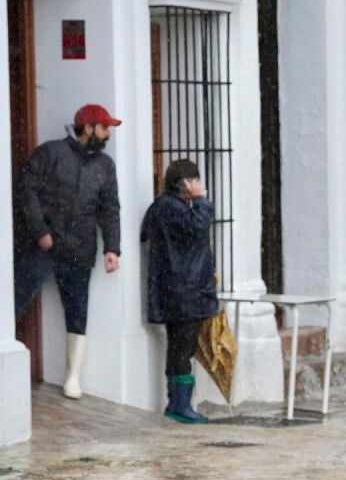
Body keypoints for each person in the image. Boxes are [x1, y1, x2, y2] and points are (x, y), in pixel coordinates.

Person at [13, 103, 122, 399]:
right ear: (88, 128)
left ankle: (72, 378)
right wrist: (40, 231)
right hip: (41, 246)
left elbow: (110, 209)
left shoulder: (105, 165)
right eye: (104, 127)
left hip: (80, 248)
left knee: (77, 311)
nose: (108, 134)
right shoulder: (50, 153)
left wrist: (112, 248)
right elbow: (26, 191)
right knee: (15, 300)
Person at [141, 160, 218, 424]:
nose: (200, 186)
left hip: (183, 289)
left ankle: (179, 403)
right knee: (181, 348)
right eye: (195, 181)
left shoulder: (169, 207)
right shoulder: (169, 207)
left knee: (181, 347)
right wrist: (202, 200)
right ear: (185, 183)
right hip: (183, 291)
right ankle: (179, 405)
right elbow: (197, 228)